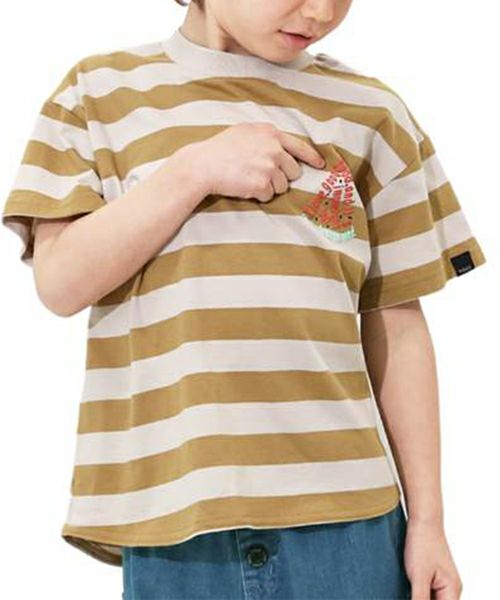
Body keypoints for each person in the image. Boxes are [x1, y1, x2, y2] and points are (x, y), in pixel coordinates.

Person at [1, 0, 487, 598]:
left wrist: (430, 521)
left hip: (349, 520)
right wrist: (193, 172)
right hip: (174, 520)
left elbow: (399, 327)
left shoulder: (373, 113)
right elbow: (60, 284)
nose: (321, 11)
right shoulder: (97, 94)